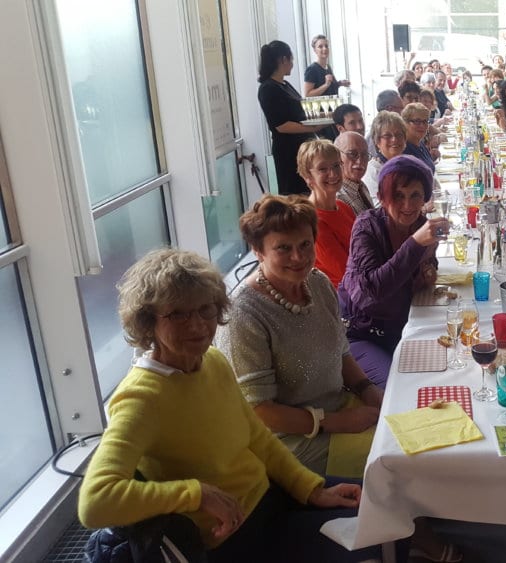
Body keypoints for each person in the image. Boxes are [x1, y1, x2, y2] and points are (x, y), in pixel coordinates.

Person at [78, 248, 379, 562]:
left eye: (205, 310)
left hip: (271, 496)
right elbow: (95, 502)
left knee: (387, 503)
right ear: (148, 321)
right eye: (178, 314)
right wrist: (196, 494)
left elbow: (259, 439)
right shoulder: (140, 398)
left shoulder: (212, 361)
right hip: (233, 539)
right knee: (379, 533)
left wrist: (311, 489)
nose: (197, 326)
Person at [216, 195, 383, 478]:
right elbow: (259, 410)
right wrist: (337, 422)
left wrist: (368, 389)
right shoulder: (244, 314)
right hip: (290, 442)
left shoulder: (318, 283)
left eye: (305, 244)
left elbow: (342, 352)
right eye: (283, 248)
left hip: (340, 408)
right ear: (258, 251)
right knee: (398, 457)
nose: (298, 257)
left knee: (415, 427)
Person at [339, 155, 449, 387]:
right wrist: (415, 244)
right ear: (383, 196)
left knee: (447, 371)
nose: (408, 205)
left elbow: (427, 271)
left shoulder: (420, 225)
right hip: (363, 334)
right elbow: (371, 292)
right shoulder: (366, 226)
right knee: (396, 388)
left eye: (415, 195)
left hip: (405, 325)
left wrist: (428, 271)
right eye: (398, 196)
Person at [257, 40, 326, 195]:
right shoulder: (268, 89)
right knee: (295, 193)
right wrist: (313, 127)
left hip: (301, 147)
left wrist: (324, 116)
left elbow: (300, 111)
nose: (292, 64)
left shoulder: (284, 85)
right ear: (283, 60)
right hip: (288, 151)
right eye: (291, 59)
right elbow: (281, 125)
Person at [296, 139, 355, 288]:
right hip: (340, 295)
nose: (333, 174)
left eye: (336, 166)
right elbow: (346, 273)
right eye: (323, 169)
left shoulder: (343, 207)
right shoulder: (311, 220)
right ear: (307, 176)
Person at [362, 111, 407, 204]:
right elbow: (378, 206)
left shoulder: (407, 163)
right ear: (377, 141)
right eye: (387, 136)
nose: (394, 139)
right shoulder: (372, 170)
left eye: (399, 134)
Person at [334, 131, 375, 217]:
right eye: (352, 154)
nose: (360, 161)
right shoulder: (337, 197)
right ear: (337, 156)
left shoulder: (361, 186)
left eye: (364, 155)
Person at [401, 103, 435, 172]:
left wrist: (433, 158)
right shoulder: (404, 149)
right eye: (417, 121)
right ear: (405, 123)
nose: (422, 125)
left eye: (425, 121)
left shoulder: (420, 143)